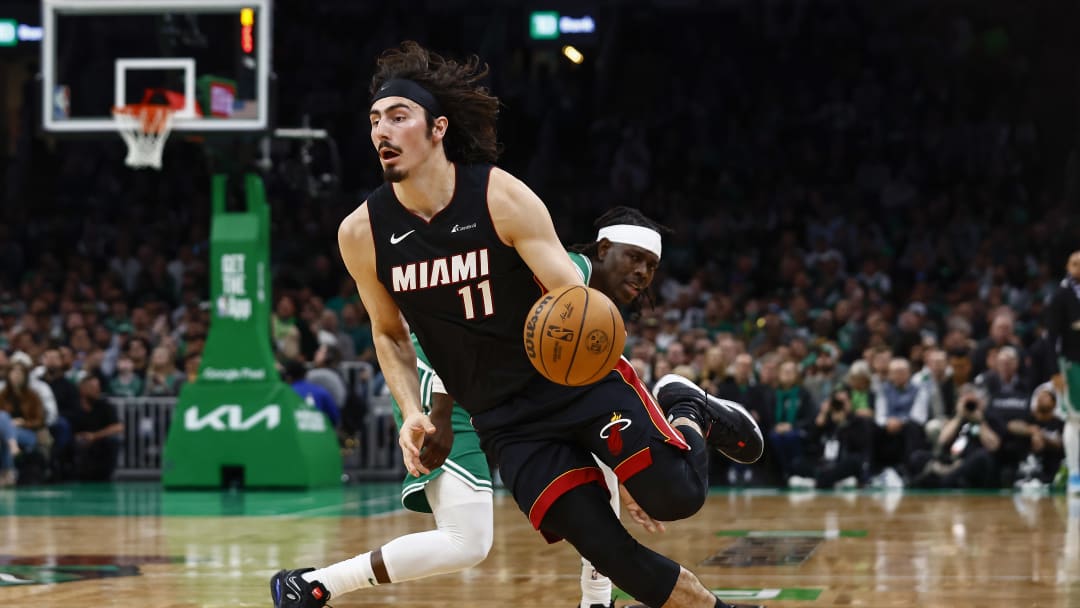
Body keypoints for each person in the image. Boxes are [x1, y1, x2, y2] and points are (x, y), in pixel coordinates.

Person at [271, 41, 763, 608]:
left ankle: (688, 407)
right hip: (505, 421)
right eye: (375, 119)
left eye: (399, 116)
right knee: (612, 552)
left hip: (575, 383)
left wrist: (619, 461)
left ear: (437, 129)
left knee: (674, 496)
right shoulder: (361, 233)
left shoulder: (500, 196)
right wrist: (412, 413)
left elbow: (578, 305)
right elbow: (388, 334)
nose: (382, 129)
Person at [1046, 249, 1080, 494]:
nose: (1078, 268)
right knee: (1074, 418)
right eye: (1074, 264)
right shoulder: (1060, 295)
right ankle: (1075, 476)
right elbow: (1051, 337)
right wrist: (1053, 371)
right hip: (1072, 364)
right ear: (1068, 267)